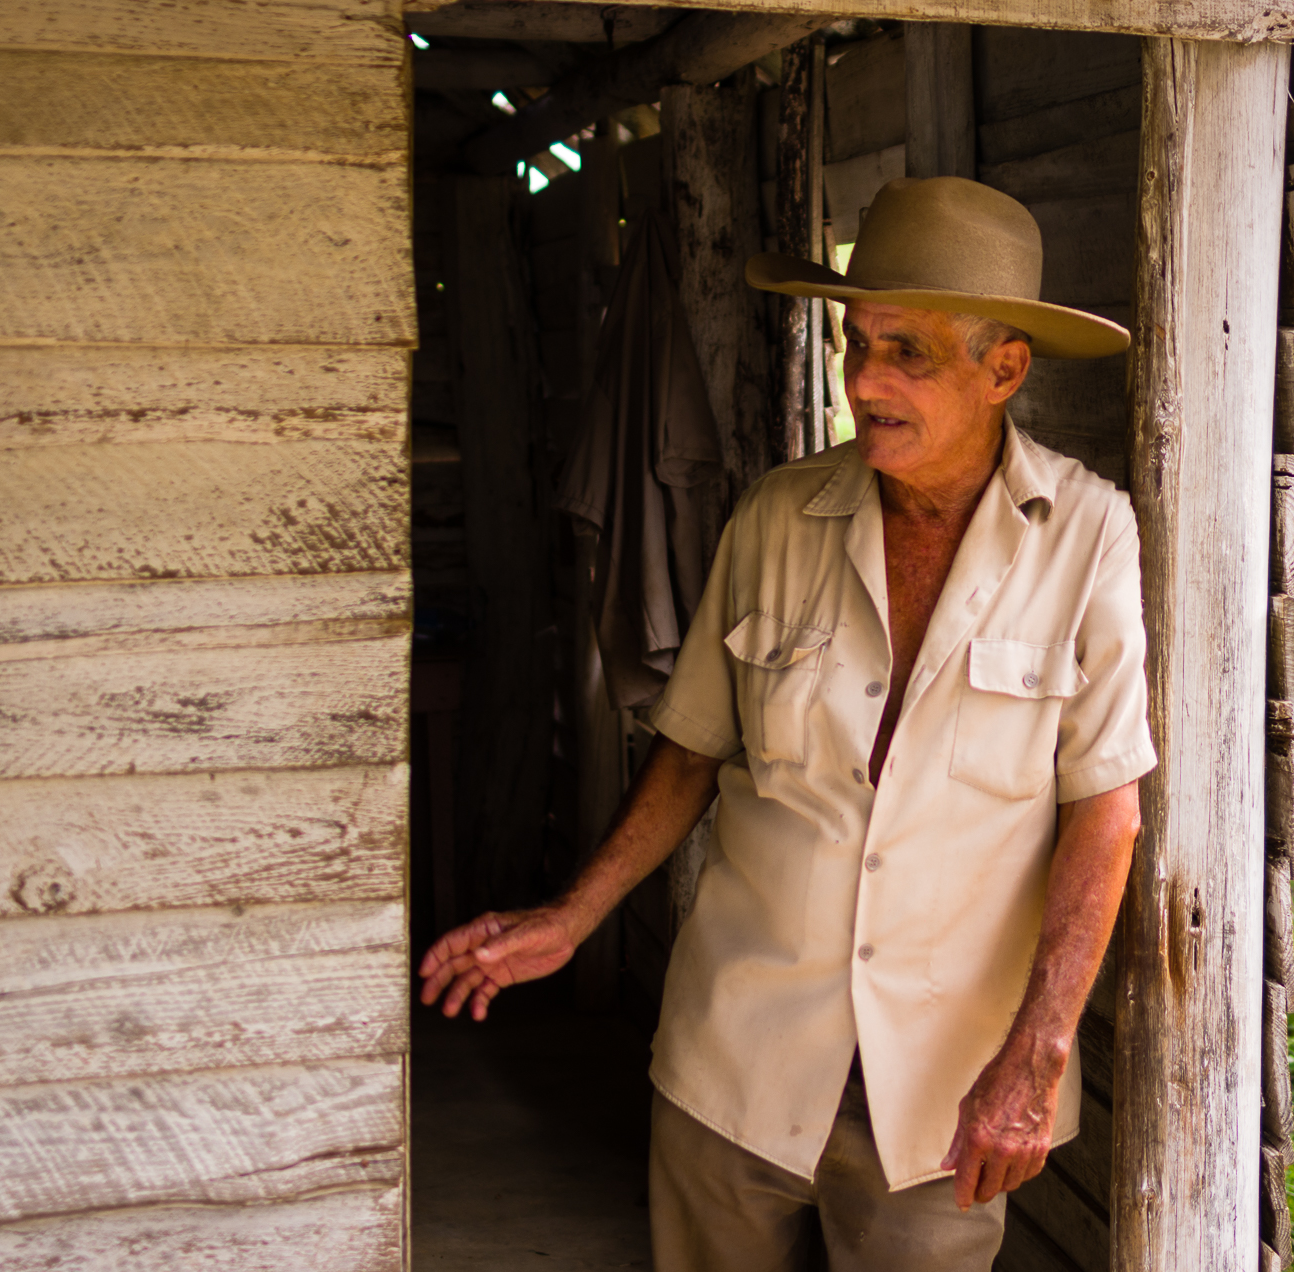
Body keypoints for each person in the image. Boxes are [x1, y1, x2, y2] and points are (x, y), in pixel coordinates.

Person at [419, 176, 1157, 1271]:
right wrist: (573, 917)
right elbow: (691, 750)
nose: (865, 381)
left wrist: (1037, 1057)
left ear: (1003, 369)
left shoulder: (1087, 535)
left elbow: (1105, 812)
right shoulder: (776, 514)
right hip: (737, 1064)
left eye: (908, 353)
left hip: (944, 1096)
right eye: (857, 343)